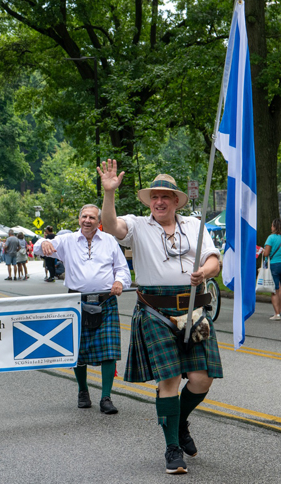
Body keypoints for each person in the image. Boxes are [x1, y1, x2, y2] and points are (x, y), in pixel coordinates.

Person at [98, 159, 222, 474]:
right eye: (155, 196)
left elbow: (213, 261)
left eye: (166, 197)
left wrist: (203, 273)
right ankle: (172, 449)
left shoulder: (194, 226)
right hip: (154, 310)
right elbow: (111, 226)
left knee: (201, 378)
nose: (159, 201)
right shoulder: (138, 225)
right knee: (167, 379)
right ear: (149, 201)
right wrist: (109, 194)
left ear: (176, 201)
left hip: (193, 309)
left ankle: (179, 421)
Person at [34, 204, 131, 414]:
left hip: (106, 302)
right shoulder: (67, 240)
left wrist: (120, 282)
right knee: (77, 350)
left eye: (92, 217)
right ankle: (83, 391)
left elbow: (122, 269)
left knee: (109, 351)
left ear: (99, 221)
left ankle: (106, 397)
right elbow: (37, 246)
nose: (88, 220)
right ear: (79, 219)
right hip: (77, 302)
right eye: (84, 217)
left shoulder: (109, 241)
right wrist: (45, 243)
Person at [262, 218, 281, 320]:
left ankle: (277, 314)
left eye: (272, 225)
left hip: (274, 265)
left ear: (274, 227)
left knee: (275, 290)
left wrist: (262, 251)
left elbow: (266, 253)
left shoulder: (271, 238)